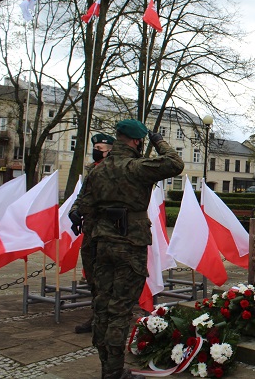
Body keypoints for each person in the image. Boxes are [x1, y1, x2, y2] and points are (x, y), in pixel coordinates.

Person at [72, 119, 184, 379]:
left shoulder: (97, 171)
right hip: (130, 245)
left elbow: (83, 206)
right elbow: (174, 163)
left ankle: (106, 368)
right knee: (120, 310)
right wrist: (158, 139)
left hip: (102, 245)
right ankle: (113, 373)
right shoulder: (137, 168)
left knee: (102, 308)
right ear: (136, 141)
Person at [71, 132, 115, 334]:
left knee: (105, 277)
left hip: (107, 231)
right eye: (95, 149)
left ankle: (105, 318)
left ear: (110, 151)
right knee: (91, 275)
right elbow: (83, 195)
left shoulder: (115, 171)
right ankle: (97, 315)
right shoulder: (92, 170)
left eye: (99, 150)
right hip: (90, 229)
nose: (95, 153)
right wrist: (74, 210)